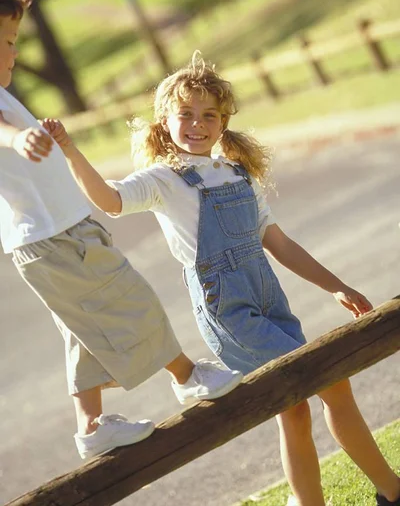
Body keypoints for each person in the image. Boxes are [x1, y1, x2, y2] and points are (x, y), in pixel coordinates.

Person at [45, 50, 400, 506]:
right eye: (186, 114)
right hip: (227, 309)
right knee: (329, 379)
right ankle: (390, 491)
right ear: (164, 121)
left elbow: (279, 242)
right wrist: (72, 151)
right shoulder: (163, 180)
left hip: (268, 298)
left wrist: (337, 285)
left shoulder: (237, 173)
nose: (198, 123)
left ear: (224, 120)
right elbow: (110, 201)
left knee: (293, 409)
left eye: (209, 114)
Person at [0, 0, 243, 461]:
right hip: (52, 237)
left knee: (81, 330)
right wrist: (18, 141)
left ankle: (91, 427)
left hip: (52, 235)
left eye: (14, 40)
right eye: (7, 41)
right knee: (131, 298)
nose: (14, 51)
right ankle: (187, 376)